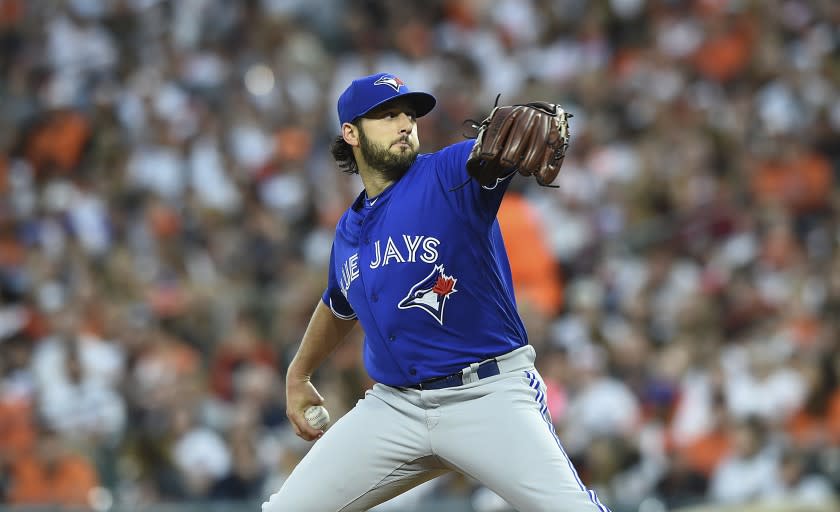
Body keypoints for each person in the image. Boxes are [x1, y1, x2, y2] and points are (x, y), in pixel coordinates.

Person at [262, 72, 609, 512]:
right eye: (387, 116)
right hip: (394, 409)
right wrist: (299, 374)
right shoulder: (348, 231)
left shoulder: (448, 174)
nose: (405, 124)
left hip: (486, 396)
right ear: (350, 133)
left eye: (409, 115)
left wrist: (499, 149)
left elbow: (486, 158)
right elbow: (338, 305)